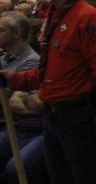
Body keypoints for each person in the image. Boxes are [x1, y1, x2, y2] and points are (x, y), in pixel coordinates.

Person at [3, 0, 96, 184]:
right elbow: (52, 72)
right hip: (53, 115)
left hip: (77, 117)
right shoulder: (55, 14)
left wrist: (82, 102)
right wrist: (13, 78)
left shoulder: (86, 16)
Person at [0, 12, 46, 183]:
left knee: (16, 168)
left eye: (1, 30)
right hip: (11, 127)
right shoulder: (4, 59)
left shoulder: (31, 62)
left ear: (17, 33)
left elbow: (16, 103)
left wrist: (16, 98)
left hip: (33, 131)